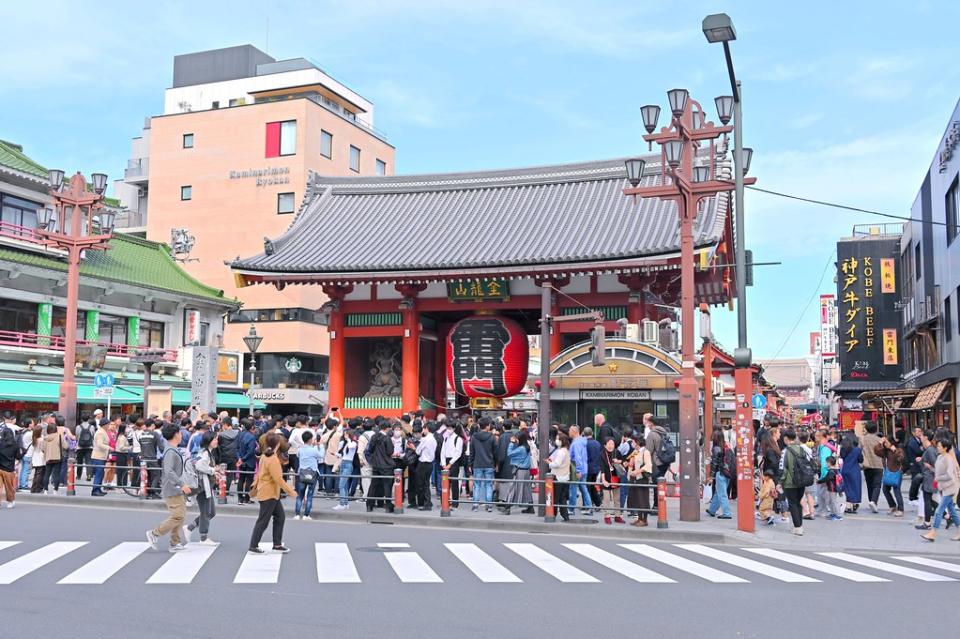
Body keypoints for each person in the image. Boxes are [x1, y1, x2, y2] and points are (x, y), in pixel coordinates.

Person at [146, 423, 192, 553]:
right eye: (180, 432)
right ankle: (155, 533)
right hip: (172, 487)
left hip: (175, 487)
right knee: (178, 515)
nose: (181, 434)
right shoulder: (170, 451)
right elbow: (168, 471)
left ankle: (175, 542)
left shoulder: (171, 449)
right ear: (176, 434)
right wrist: (182, 484)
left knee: (180, 516)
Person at [247, 432, 296, 554]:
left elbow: (260, 473)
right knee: (263, 521)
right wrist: (291, 492)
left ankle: (277, 544)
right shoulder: (273, 459)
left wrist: (255, 485)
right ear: (278, 444)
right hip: (269, 493)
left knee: (279, 517)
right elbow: (278, 479)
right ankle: (253, 546)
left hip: (268, 492)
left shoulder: (264, 456)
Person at [920, 435, 960, 542]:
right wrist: (932, 469)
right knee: (952, 511)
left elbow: (950, 476)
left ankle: (933, 533)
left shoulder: (948, 459)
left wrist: (938, 478)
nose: (937, 447)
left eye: (939, 446)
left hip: (950, 488)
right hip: (943, 487)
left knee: (939, 511)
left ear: (945, 448)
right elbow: (938, 471)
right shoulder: (939, 457)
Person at [185, 431, 218, 544]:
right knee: (206, 512)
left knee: (211, 512)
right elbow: (199, 466)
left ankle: (190, 527)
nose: (216, 441)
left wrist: (212, 471)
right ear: (209, 441)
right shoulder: (205, 453)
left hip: (207, 485)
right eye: (214, 439)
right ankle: (203, 538)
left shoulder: (206, 452)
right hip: (203, 486)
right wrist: (212, 470)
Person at [779, 429, 808, 536]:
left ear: (786, 439)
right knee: (798, 502)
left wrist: (779, 482)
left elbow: (783, 469)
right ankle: (800, 525)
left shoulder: (785, 451)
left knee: (792, 503)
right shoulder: (801, 449)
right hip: (801, 481)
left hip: (790, 482)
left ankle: (797, 527)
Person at [366, 421, 396, 512]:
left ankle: (369, 505)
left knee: (373, 485)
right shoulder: (387, 438)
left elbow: (370, 449)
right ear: (387, 428)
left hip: (376, 464)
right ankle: (388, 506)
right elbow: (390, 452)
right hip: (386, 465)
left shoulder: (374, 436)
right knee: (387, 486)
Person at [469, 417, 497, 512]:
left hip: (477, 464)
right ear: (488, 426)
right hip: (489, 464)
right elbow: (495, 452)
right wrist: (495, 464)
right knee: (488, 485)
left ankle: (475, 505)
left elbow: (472, 452)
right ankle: (489, 505)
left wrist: (471, 464)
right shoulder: (492, 437)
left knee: (476, 485)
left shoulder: (474, 437)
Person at [503, 431, 533, 515]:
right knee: (527, 489)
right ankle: (531, 507)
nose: (516, 440)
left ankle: (507, 507)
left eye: (517, 439)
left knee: (513, 488)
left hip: (520, 470)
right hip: (526, 470)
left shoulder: (521, 449)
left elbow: (509, 454)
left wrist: (511, 443)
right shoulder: (526, 447)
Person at [705, 430, 733, 519]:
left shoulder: (716, 448)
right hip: (727, 472)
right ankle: (712, 510)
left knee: (722, 494)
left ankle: (727, 513)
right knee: (718, 492)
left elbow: (714, 464)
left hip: (720, 473)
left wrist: (711, 476)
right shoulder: (726, 445)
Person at [627, 433, 653, 527]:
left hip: (642, 478)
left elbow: (648, 465)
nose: (632, 443)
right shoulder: (635, 451)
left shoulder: (645, 452)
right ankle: (639, 518)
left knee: (643, 499)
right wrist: (629, 464)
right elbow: (630, 462)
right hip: (634, 478)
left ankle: (644, 520)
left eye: (633, 441)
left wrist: (637, 471)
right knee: (637, 499)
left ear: (637, 442)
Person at [876, 435, 905, 517]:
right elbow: (877, 452)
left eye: (886, 442)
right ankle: (892, 506)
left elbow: (901, 458)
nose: (885, 444)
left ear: (891, 442)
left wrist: (895, 450)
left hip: (896, 474)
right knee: (885, 489)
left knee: (897, 491)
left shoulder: (898, 449)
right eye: (885, 443)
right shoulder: (885, 451)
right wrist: (879, 443)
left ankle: (901, 509)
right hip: (888, 473)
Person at [294, 429, 320, 519]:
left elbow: (298, 455)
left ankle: (297, 514)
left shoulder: (300, 450)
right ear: (309, 440)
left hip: (302, 473)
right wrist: (316, 446)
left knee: (300, 495)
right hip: (312, 473)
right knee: (310, 494)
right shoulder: (314, 450)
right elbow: (320, 456)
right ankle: (306, 515)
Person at [916, 430, 939, 530]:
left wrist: (928, 466)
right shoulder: (929, 449)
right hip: (928, 478)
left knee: (928, 501)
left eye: (921, 435)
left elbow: (936, 466)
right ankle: (947, 516)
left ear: (925, 437)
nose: (920, 437)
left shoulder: (930, 450)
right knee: (929, 499)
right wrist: (922, 460)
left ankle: (927, 523)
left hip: (930, 478)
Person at [567, 425, 592, 516]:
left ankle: (571, 508)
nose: (569, 432)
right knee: (583, 488)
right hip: (584, 468)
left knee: (573, 488)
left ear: (574, 431)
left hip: (577, 468)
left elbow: (578, 457)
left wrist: (578, 470)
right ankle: (589, 507)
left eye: (570, 431)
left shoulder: (576, 443)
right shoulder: (582, 441)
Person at [860, 421, 884, 512]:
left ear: (866, 429)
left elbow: (859, 450)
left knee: (869, 484)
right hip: (878, 464)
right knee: (877, 485)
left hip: (867, 465)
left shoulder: (862, 439)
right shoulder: (879, 440)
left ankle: (871, 501)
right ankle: (874, 501)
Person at [598, 437, 623, 524]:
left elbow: (623, 462)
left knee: (617, 498)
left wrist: (618, 461)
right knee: (606, 499)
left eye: (612, 444)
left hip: (616, 477)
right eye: (608, 444)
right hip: (607, 478)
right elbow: (602, 468)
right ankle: (607, 516)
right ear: (605, 445)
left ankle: (617, 516)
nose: (611, 446)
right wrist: (604, 480)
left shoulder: (617, 452)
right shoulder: (602, 454)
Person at [548, 432, 572, 522]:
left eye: (558, 439)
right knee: (562, 498)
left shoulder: (561, 452)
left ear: (562, 441)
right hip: (565, 477)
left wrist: (550, 463)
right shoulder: (566, 450)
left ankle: (552, 514)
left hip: (558, 476)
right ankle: (565, 515)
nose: (556, 440)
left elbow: (557, 464)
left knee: (555, 498)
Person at [413, 421, 436, 510]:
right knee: (426, 484)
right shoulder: (433, 439)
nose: (423, 430)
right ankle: (428, 503)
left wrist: (414, 448)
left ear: (427, 429)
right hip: (430, 464)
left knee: (420, 484)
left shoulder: (425, 439)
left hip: (422, 463)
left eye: (424, 428)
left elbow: (418, 451)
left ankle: (422, 503)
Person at [441, 421, 465, 507]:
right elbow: (442, 451)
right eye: (447, 428)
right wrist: (443, 463)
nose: (448, 430)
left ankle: (455, 503)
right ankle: (445, 501)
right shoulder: (446, 438)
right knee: (445, 482)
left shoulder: (458, 439)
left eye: (450, 428)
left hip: (454, 462)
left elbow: (458, 453)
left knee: (454, 483)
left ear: (454, 429)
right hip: (446, 461)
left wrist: (450, 464)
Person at [840, 433, 864, 514]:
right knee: (855, 487)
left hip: (845, 470)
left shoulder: (843, 449)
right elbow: (861, 460)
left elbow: (842, 457)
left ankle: (848, 505)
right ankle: (854, 504)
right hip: (854, 470)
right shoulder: (857, 450)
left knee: (847, 488)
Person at [334, 428, 358, 510]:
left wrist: (348, 440)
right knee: (344, 485)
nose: (345, 436)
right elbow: (341, 454)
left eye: (346, 434)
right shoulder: (344, 443)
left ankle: (342, 503)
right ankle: (345, 503)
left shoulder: (353, 443)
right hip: (343, 462)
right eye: (344, 434)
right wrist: (337, 454)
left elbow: (351, 447)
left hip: (348, 464)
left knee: (341, 485)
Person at [236, 420, 259, 504]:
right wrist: (243, 459)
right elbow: (251, 451)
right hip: (249, 461)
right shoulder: (252, 437)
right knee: (249, 479)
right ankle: (247, 498)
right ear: (252, 427)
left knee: (241, 479)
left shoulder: (239, 434)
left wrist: (239, 458)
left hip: (241, 459)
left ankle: (239, 498)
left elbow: (237, 448)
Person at [90, 417, 112, 496]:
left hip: (101, 456)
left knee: (100, 473)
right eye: (108, 424)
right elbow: (99, 444)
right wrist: (109, 448)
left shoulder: (103, 431)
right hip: (98, 456)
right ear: (105, 425)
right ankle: (95, 490)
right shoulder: (100, 432)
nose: (109, 425)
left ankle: (98, 489)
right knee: (99, 473)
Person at [0, 417, 19, 508]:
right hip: (9, 469)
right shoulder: (15, 445)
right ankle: (10, 502)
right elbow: (18, 456)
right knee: (9, 487)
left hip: (0, 467)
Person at [583, 426, 603, 509]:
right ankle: (598, 502)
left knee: (587, 486)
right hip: (596, 467)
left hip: (588, 468)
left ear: (584, 434)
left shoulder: (585, 444)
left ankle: (588, 504)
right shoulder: (597, 443)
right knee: (592, 485)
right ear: (592, 433)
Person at [42, 422, 64, 494]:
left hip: (48, 457)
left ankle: (45, 489)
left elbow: (42, 448)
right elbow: (66, 446)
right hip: (57, 457)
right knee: (56, 474)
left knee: (47, 474)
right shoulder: (59, 436)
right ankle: (55, 490)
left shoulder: (45, 438)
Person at [821, 456, 843, 521]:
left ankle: (838, 515)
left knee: (834, 501)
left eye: (826, 462)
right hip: (833, 488)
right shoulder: (835, 470)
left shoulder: (831, 471)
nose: (826, 464)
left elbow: (827, 478)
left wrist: (819, 481)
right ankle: (833, 513)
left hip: (832, 488)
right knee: (831, 501)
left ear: (829, 463)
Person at [74, 416, 96, 481]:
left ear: (81, 419)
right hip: (89, 447)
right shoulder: (92, 427)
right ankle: (89, 475)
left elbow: (77, 437)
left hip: (80, 447)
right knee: (88, 461)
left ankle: (78, 476)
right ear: (88, 419)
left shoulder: (78, 427)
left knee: (79, 462)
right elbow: (93, 436)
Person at [16, 417, 34, 491]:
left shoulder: (22, 432)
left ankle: (21, 484)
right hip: (28, 453)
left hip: (22, 453)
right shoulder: (30, 433)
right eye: (32, 423)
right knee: (26, 470)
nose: (34, 424)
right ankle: (24, 485)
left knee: (23, 469)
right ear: (29, 424)